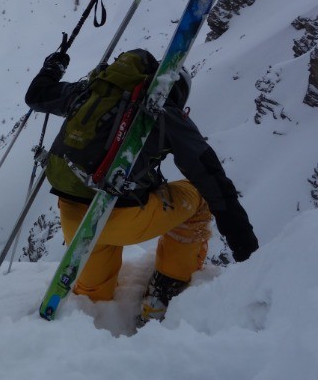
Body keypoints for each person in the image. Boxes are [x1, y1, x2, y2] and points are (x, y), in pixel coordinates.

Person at [25, 49, 259, 324]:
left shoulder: (90, 92)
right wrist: (247, 248)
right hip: (120, 217)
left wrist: (53, 67)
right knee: (198, 198)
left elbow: (36, 96)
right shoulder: (163, 110)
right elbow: (211, 178)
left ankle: (91, 308)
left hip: (75, 219)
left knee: (93, 301)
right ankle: (164, 292)